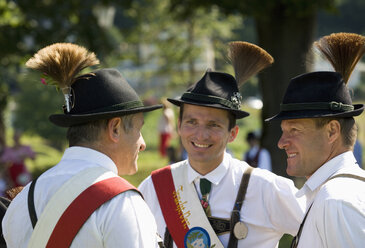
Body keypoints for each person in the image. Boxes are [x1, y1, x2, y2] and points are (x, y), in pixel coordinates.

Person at [139, 41, 305, 248]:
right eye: (192, 122)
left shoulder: (266, 189)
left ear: (233, 134)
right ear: (179, 126)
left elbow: (323, 233)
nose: (201, 135)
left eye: (213, 125)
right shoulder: (154, 187)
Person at [2, 43, 163, 247]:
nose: (143, 144)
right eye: (139, 130)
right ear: (115, 129)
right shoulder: (121, 202)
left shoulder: (22, 200)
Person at [266, 32, 365, 248]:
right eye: (283, 131)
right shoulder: (332, 194)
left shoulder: (336, 201)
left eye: (294, 130)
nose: (281, 142)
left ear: (332, 132)